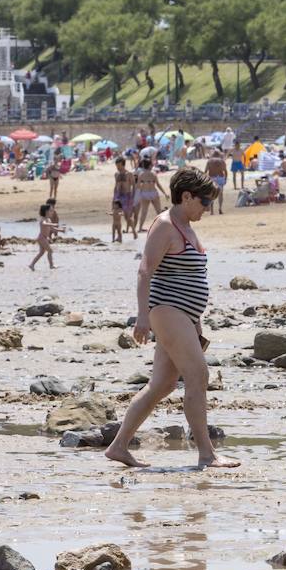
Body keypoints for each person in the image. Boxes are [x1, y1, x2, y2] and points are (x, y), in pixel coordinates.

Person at [104, 167, 237, 469]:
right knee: (198, 375)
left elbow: (191, 276)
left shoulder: (186, 225)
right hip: (167, 311)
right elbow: (145, 270)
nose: (207, 208)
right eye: (204, 202)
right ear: (186, 196)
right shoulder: (165, 225)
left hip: (184, 316)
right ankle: (206, 454)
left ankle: (118, 446)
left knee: (162, 385)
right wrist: (141, 317)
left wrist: (196, 321)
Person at [29, 204, 62, 270]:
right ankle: (51, 266)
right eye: (51, 211)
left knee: (41, 253)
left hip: (44, 238)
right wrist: (53, 224)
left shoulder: (49, 220)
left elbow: (53, 229)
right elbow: (44, 223)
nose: (52, 212)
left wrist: (62, 230)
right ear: (46, 211)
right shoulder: (43, 219)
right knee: (50, 251)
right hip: (41, 238)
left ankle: (31, 265)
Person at [205, 148, 228, 214]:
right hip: (220, 178)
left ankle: (212, 211)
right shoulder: (222, 161)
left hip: (212, 178)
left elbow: (205, 171)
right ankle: (220, 208)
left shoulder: (209, 161)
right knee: (220, 194)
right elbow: (225, 171)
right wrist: (225, 179)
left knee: (212, 194)